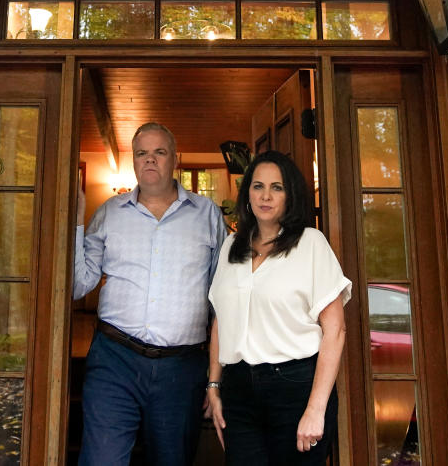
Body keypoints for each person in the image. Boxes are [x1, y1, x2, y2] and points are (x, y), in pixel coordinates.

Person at [74, 121, 228, 465]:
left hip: (181, 368)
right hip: (115, 359)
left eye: (159, 152)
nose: (150, 160)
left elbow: (224, 301)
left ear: (175, 158)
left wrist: (216, 380)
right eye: (142, 153)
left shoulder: (207, 216)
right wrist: (74, 218)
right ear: (133, 162)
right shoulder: (110, 213)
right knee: (102, 460)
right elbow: (77, 284)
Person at [205, 150, 350, 464]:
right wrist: (214, 385)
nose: (266, 195)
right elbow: (221, 321)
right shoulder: (232, 246)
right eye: (258, 186)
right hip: (239, 390)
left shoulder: (310, 243)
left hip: (295, 388)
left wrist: (315, 409)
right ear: (247, 195)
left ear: (290, 195)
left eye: (277, 187)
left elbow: (335, 331)